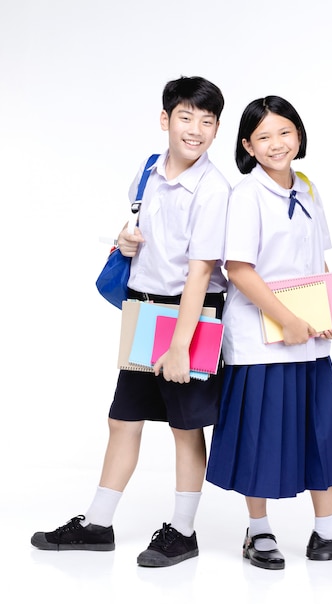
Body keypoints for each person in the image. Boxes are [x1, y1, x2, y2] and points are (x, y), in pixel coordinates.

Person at [31, 76, 230, 567]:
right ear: (165, 120)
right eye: (186, 117)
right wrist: (125, 241)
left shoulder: (213, 188)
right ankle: (98, 524)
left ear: (217, 129)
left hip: (193, 314)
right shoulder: (147, 170)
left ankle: (183, 532)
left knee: (185, 427)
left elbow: (201, 273)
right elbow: (138, 226)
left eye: (207, 121)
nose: (196, 130)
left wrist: (180, 345)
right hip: (145, 309)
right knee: (123, 419)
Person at [205, 95, 332, 570]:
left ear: (299, 135)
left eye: (284, 132)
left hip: (309, 336)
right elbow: (239, 269)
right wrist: (285, 318)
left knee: (320, 433)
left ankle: (328, 534)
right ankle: (258, 532)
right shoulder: (245, 195)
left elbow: (318, 261)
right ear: (247, 145)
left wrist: (331, 311)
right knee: (262, 436)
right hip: (261, 339)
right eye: (263, 136)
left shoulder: (306, 186)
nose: (276, 143)